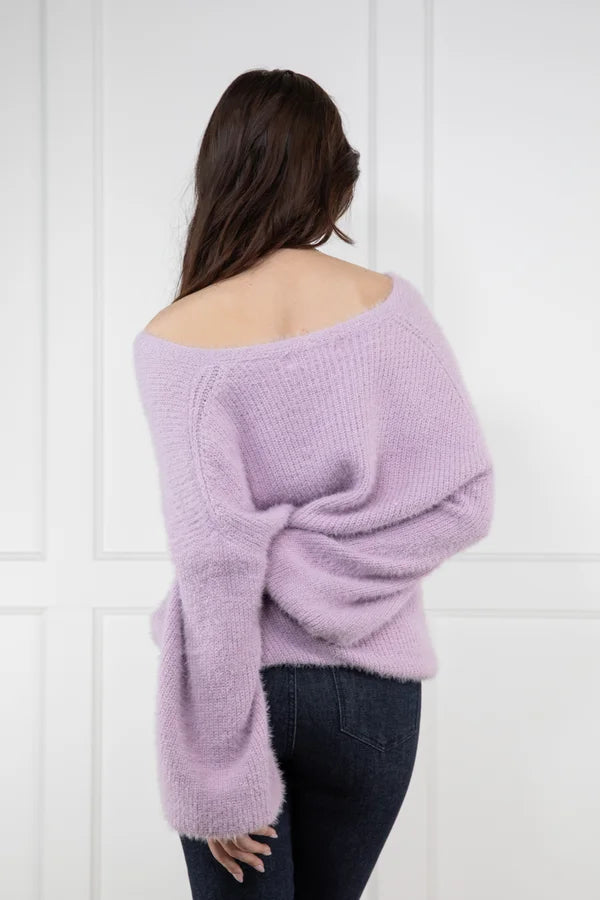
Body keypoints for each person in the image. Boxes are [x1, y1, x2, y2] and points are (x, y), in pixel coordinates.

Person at [132, 68, 494, 900]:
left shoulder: (175, 339)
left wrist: (221, 767)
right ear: (332, 177)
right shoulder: (389, 308)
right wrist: (325, 581)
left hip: (239, 685)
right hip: (373, 698)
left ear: (220, 174)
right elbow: (463, 499)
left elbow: (216, 562)